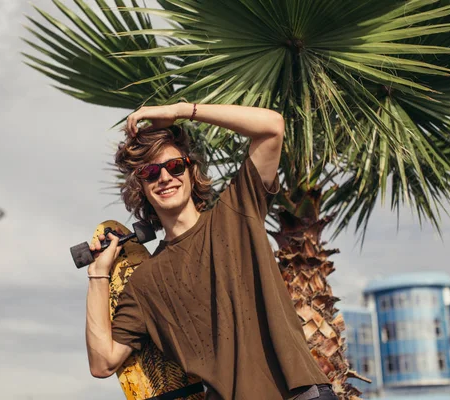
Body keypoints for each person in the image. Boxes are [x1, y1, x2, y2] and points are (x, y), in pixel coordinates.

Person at [85, 103, 336, 400]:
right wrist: (98, 276)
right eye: (150, 172)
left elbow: (272, 128)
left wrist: (181, 110)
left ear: (191, 171)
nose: (164, 178)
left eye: (175, 166)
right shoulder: (145, 282)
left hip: (299, 393)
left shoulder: (236, 211)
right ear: (140, 186)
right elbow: (103, 362)